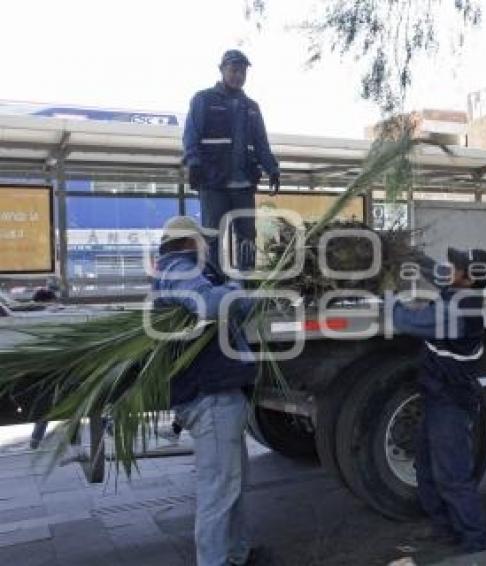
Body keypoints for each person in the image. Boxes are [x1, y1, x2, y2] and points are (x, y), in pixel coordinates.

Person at [152, 215, 263, 566]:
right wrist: (237, 290)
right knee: (218, 493)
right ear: (189, 242)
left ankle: (236, 555)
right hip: (210, 399)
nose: (207, 247)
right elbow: (210, 305)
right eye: (203, 241)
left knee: (231, 487)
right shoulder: (177, 268)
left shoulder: (181, 270)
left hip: (220, 396)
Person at [392, 247, 486, 553]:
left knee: (451, 475)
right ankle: (444, 528)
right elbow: (438, 275)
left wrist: (386, 295)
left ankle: (476, 541)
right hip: (438, 395)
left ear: (467, 278)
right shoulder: (463, 293)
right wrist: (412, 256)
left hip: (451, 401)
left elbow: (405, 320)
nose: (450, 267)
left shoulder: (456, 312)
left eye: (457, 265)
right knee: (425, 464)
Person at [182, 49, 280, 271]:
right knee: (212, 236)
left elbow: (262, 143)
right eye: (234, 70)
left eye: (243, 71)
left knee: (247, 237)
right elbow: (191, 135)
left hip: (244, 185)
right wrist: (193, 163)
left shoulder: (252, 107)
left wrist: (272, 169)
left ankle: (245, 287)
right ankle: (212, 284)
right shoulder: (203, 99)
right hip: (213, 183)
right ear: (222, 70)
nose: (238, 75)